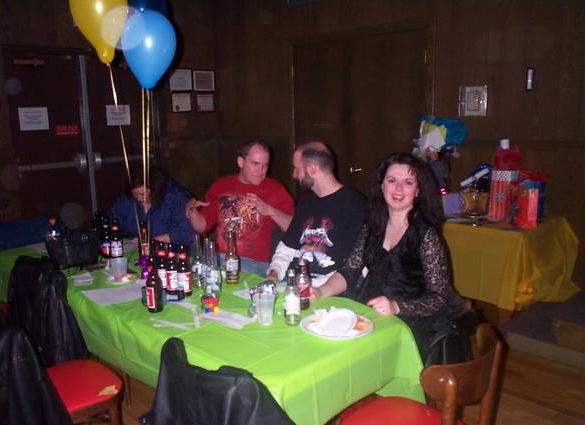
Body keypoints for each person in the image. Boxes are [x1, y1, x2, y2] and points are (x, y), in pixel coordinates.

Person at [311, 152, 476, 365]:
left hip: (417, 323)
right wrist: (321, 291)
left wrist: (397, 307)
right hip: (376, 314)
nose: (398, 188)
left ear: (418, 190)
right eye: (391, 181)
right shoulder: (372, 225)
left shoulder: (426, 235)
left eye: (408, 182)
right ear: (382, 186)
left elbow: (439, 297)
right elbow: (350, 269)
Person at [185, 140, 295, 276]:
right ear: (240, 162)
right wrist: (192, 211)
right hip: (219, 261)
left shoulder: (275, 189)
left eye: (265, 165)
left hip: (253, 265)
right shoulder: (221, 185)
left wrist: (270, 210)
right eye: (255, 164)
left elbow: (294, 229)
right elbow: (201, 226)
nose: (261, 171)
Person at [266, 141, 368, 287]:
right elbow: (287, 248)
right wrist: (274, 273)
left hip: (328, 291)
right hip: (294, 283)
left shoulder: (356, 205)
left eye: (297, 168)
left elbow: (351, 268)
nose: (294, 174)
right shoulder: (306, 202)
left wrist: (310, 287)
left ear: (312, 169)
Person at [109, 168, 195, 246]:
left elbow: (188, 233)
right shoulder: (127, 200)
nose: (138, 198)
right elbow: (112, 221)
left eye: (142, 194)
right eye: (135, 195)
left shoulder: (176, 197)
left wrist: (152, 241)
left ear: (154, 189)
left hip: (172, 250)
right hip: (134, 249)